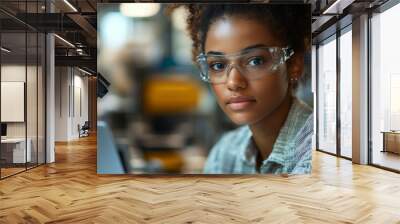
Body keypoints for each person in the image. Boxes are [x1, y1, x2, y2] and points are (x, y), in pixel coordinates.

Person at [173, 4, 313, 174]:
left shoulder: (318, 153)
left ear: (293, 65)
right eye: (218, 65)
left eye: (255, 61)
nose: (233, 82)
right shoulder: (224, 153)